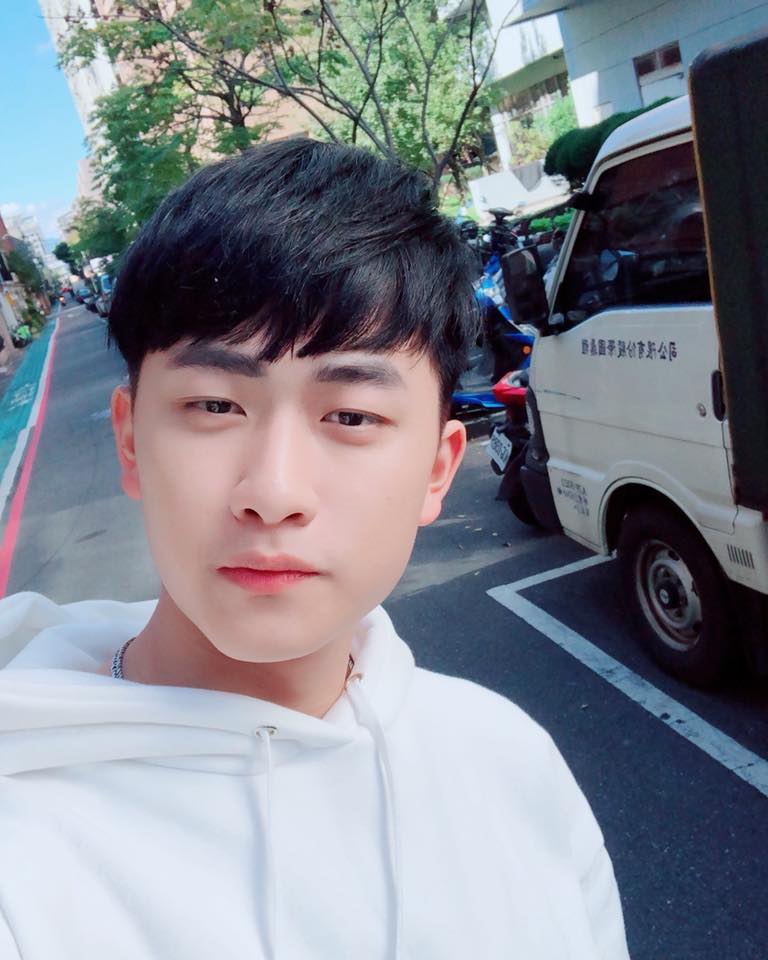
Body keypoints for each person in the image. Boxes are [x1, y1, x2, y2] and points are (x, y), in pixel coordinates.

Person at [0, 139, 629, 960]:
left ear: (437, 470)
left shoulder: (510, 763)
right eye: (216, 406)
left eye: (352, 417)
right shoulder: (25, 849)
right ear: (129, 441)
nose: (274, 491)